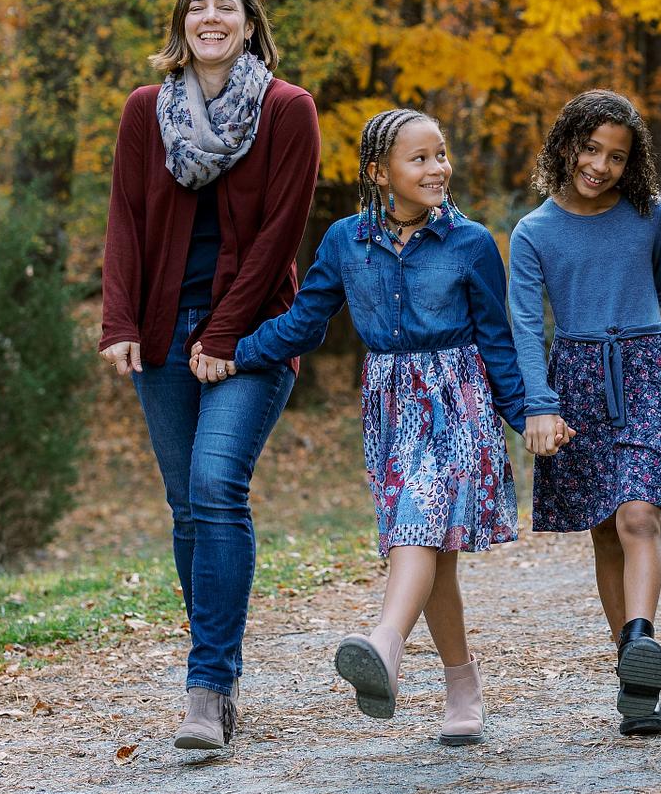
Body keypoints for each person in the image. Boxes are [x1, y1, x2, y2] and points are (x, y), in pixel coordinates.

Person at [214, 108, 530, 747]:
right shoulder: (343, 242)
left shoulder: (470, 244)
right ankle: (462, 687)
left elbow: (500, 340)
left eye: (441, 154)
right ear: (378, 172)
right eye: (420, 159)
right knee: (429, 552)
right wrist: (234, 351)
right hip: (391, 405)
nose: (438, 168)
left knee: (418, 525)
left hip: (457, 404)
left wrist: (531, 419)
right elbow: (305, 322)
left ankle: (385, 643)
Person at [99, 0, 321, 754]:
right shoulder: (145, 111)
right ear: (181, 25)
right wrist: (119, 318)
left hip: (253, 333)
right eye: (198, 6)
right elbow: (125, 218)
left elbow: (280, 235)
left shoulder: (288, 110)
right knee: (185, 506)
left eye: (226, 5)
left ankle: (208, 686)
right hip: (161, 331)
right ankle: (217, 675)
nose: (211, 16)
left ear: (251, 24)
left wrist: (225, 336)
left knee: (215, 486)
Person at [509, 89, 661, 737]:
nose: (600, 165)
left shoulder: (651, 216)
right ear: (565, 145)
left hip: (647, 370)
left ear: (634, 163)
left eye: (617, 156)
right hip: (574, 381)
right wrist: (539, 404)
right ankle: (634, 679)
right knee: (604, 526)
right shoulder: (534, 232)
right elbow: (522, 325)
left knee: (637, 514)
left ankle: (640, 639)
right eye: (590, 149)